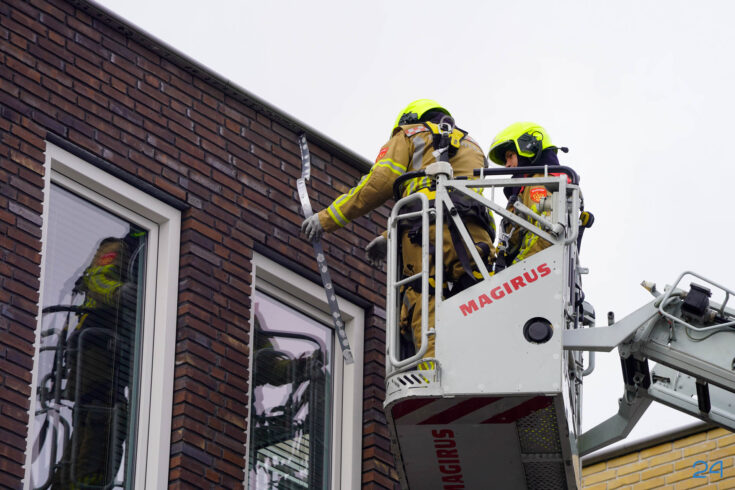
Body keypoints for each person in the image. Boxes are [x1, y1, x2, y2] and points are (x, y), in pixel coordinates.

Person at [301, 99, 495, 360]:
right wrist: (388, 237)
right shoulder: (474, 147)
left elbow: (379, 182)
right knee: (473, 307)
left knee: (424, 301)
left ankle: (431, 372)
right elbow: (452, 199)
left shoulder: (409, 134)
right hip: (475, 240)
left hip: (427, 238)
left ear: (410, 119)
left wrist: (327, 218)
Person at [487, 122, 568, 272]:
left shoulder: (538, 183)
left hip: (533, 273)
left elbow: (544, 236)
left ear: (528, 148)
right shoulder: (531, 185)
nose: (507, 165)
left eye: (510, 156)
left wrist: (514, 273)